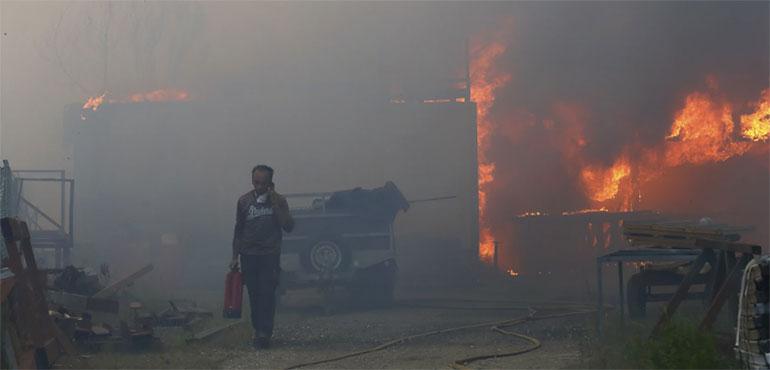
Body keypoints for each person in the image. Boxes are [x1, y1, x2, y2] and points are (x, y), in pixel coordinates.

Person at [231, 164, 294, 349]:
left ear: (270, 183)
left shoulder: (280, 201)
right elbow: (238, 230)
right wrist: (235, 257)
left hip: (269, 255)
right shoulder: (243, 201)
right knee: (254, 295)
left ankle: (265, 333)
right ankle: (258, 329)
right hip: (249, 255)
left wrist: (274, 203)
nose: (258, 186)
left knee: (267, 294)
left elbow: (288, 226)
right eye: (256, 182)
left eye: (263, 183)